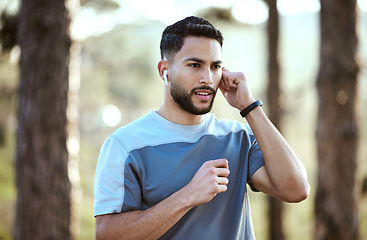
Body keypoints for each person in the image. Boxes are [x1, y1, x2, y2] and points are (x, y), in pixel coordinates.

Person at [94, 16, 310, 240]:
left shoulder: (238, 138)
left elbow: (296, 189)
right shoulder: (125, 145)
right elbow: (107, 235)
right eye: (195, 65)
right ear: (164, 71)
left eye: (215, 66)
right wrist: (187, 196)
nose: (207, 78)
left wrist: (249, 107)